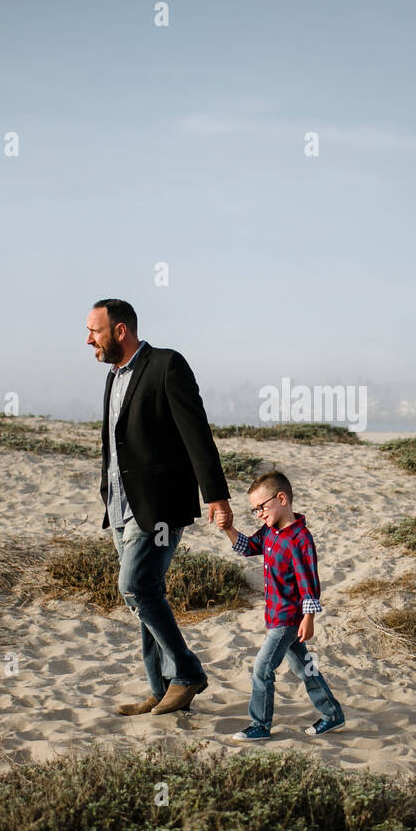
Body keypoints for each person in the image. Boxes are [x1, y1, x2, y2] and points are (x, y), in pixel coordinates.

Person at [86, 299, 232, 716]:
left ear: (120, 331)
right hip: (118, 505)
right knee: (146, 596)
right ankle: (162, 688)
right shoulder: (113, 377)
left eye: (94, 331)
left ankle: (186, 674)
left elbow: (196, 433)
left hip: (158, 505)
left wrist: (216, 495)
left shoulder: (167, 365)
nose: (88, 339)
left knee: (135, 587)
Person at [216, 471, 345, 740]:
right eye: (255, 510)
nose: (259, 514)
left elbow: (308, 583)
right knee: (305, 668)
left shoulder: (300, 539)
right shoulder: (270, 532)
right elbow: (248, 546)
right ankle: (332, 715)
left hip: (288, 620)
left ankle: (260, 725)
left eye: (261, 507)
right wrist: (228, 528)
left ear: (282, 498)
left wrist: (308, 618)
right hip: (274, 616)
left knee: (262, 669)